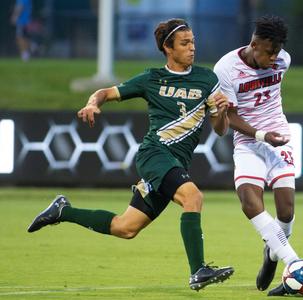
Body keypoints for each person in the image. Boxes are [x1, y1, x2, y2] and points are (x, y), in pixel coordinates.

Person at [27, 18, 234, 290]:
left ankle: (63, 211)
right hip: (154, 155)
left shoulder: (207, 79)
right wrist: (92, 104)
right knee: (193, 197)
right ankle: (198, 271)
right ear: (167, 48)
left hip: (175, 163)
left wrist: (222, 112)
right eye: (184, 43)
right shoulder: (151, 79)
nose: (192, 47)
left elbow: (220, 129)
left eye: (193, 41)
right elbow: (105, 92)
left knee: (126, 228)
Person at [214, 15, 299, 297]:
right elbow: (231, 116)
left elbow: (272, 99)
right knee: (249, 200)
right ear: (254, 44)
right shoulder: (226, 69)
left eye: (277, 51)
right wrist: (261, 136)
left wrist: (271, 135)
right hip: (249, 141)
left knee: (286, 211)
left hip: (279, 136)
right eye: (269, 52)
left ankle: (271, 253)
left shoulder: (283, 60)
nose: (275, 58)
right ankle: (294, 263)